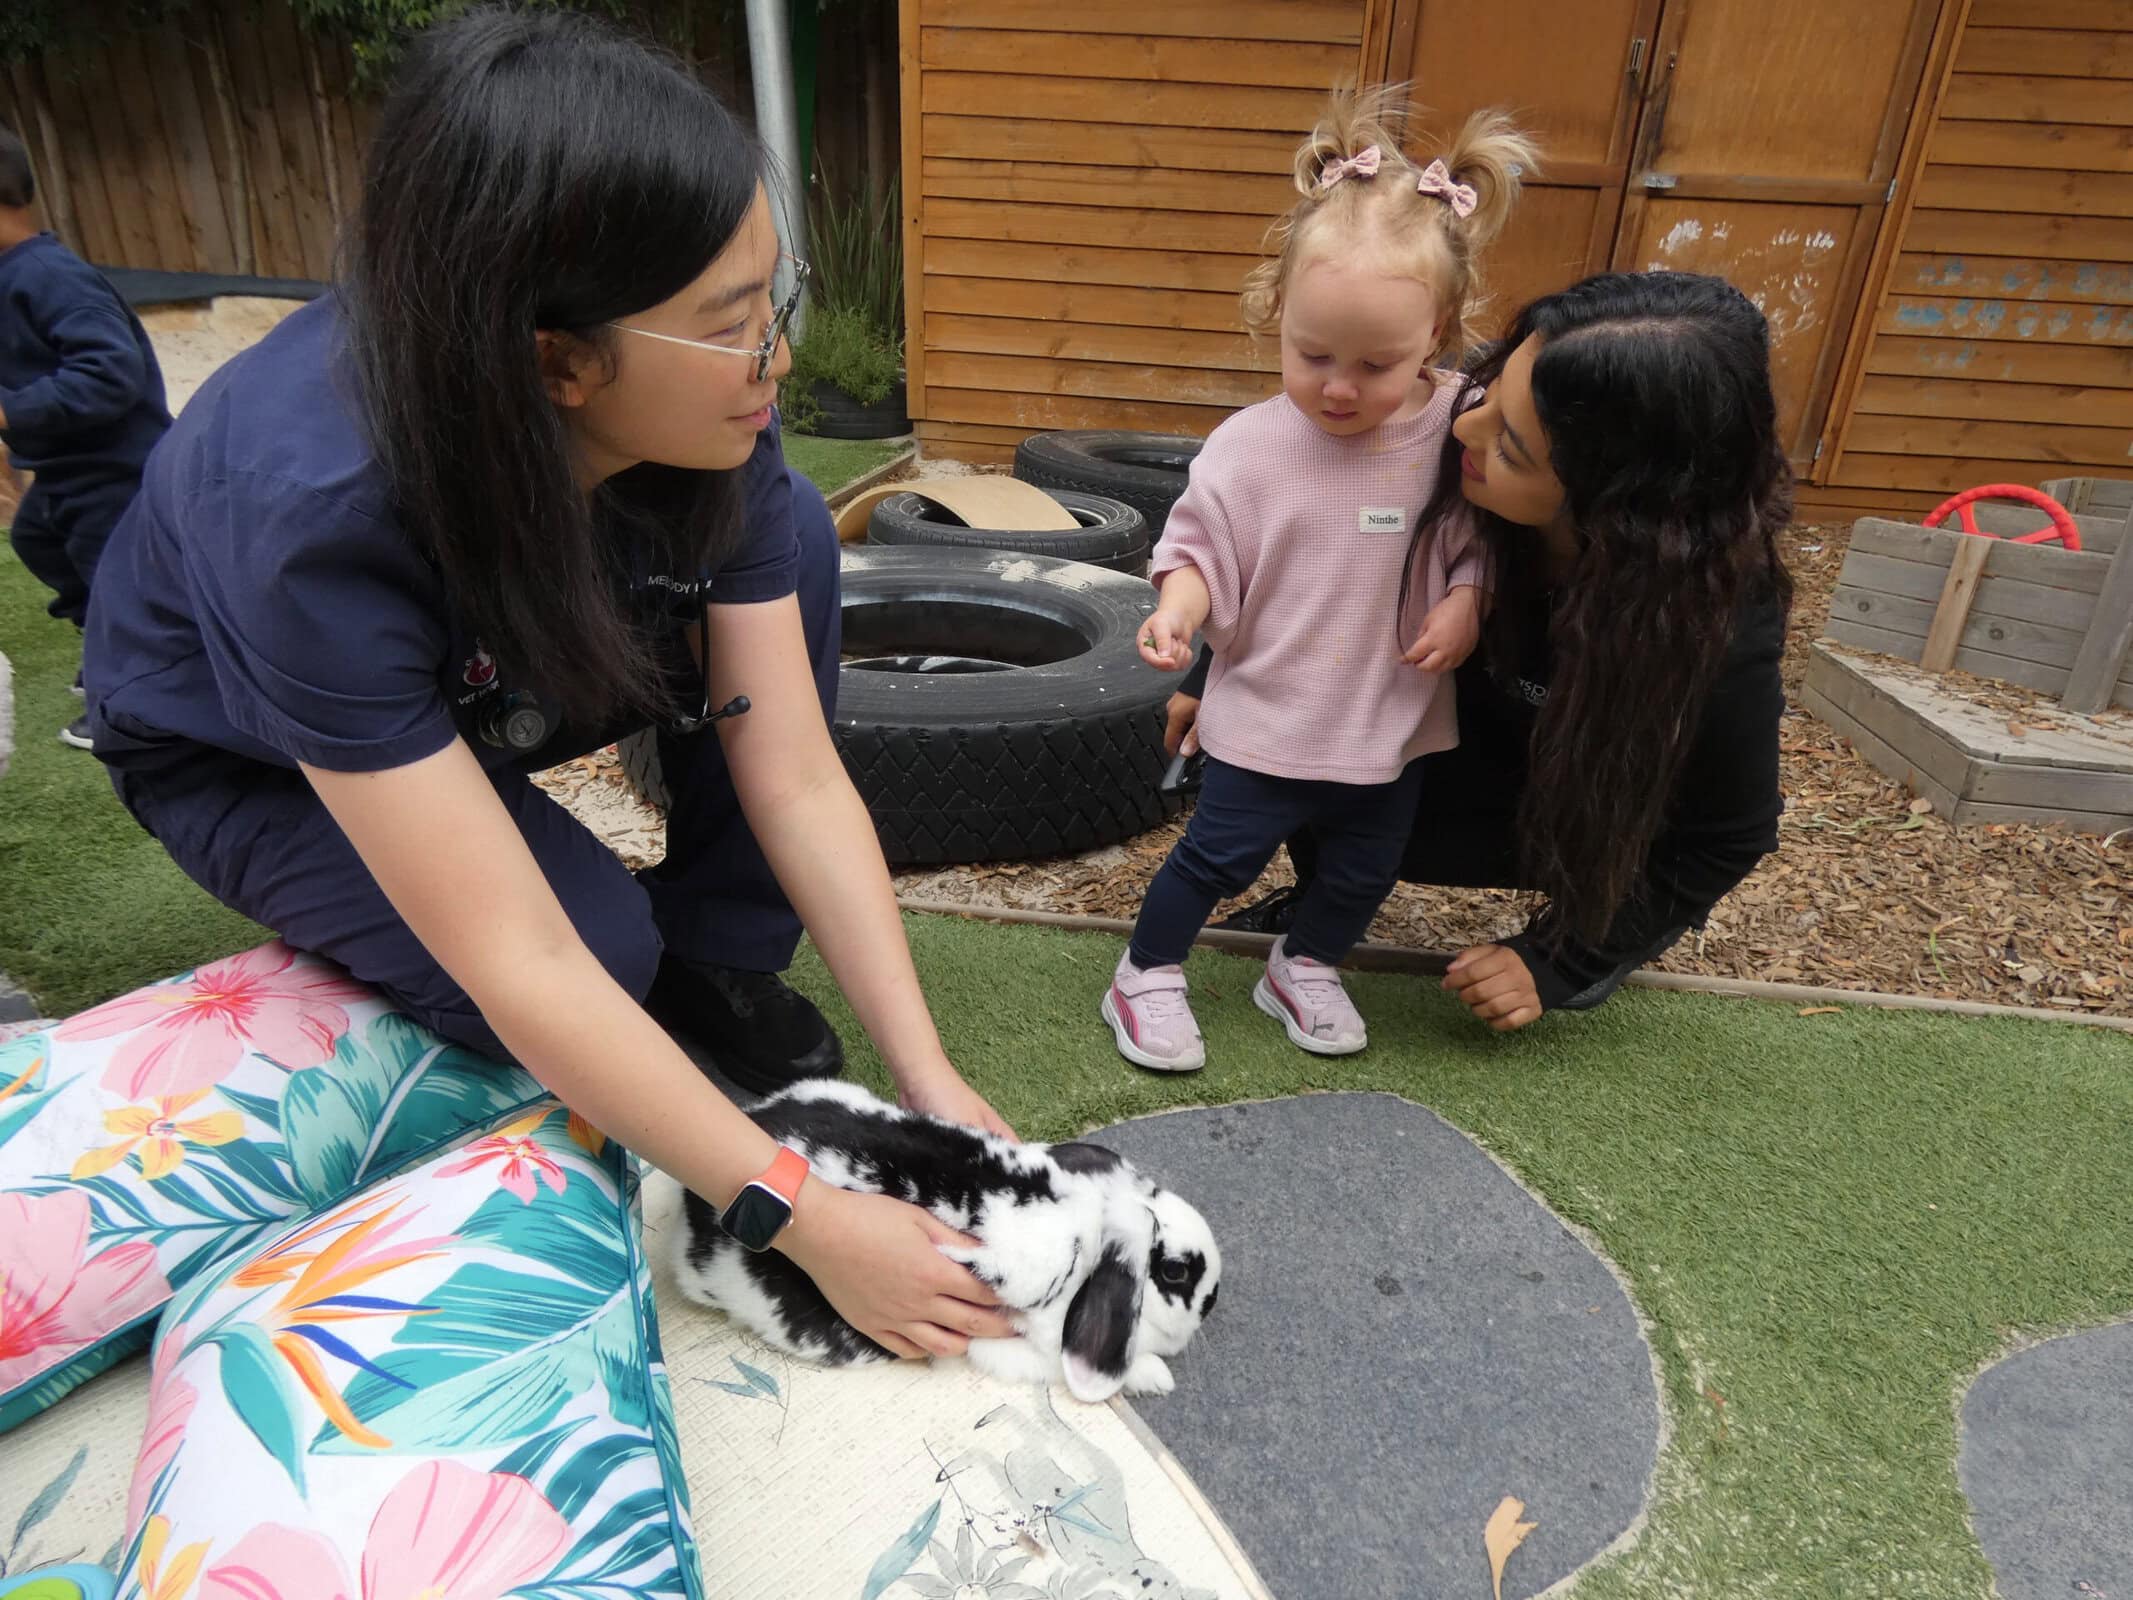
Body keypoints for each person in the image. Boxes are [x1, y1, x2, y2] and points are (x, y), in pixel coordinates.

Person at [81, 8, 1015, 1364]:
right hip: (242, 756)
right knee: (585, 954)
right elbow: (520, 956)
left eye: (773, 301)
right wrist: (797, 1214)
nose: (779, 358)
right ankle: (618, 969)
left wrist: (927, 1076)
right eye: (733, 325)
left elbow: (796, 773)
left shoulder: (710, 416)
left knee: (796, 545)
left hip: (488, 658)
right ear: (555, 359)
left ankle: (712, 959)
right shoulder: (305, 516)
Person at [1173, 270, 1795, 1032]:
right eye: (1488, 390)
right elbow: (1300, 556)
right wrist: (1214, 670)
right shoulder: (1439, 435)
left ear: (1613, 503)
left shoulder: (1715, 617)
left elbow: (1729, 832)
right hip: (1414, 738)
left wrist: (1562, 960)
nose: (1465, 430)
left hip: (1554, 792)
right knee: (1304, 733)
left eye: (1510, 444)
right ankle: (1323, 903)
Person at [1103, 89, 1538, 1073]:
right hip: (1268, 714)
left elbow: (1476, 535)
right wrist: (1178, 611)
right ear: (1277, 313)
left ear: (1438, 332)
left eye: (1377, 364)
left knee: (1364, 867)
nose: (1339, 387)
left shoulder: (1452, 427)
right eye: (1312, 355)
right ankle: (1145, 972)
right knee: (1213, 858)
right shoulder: (1249, 447)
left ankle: (1303, 962)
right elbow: (1199, 548)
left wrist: (1467, 598)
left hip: (1387, 718)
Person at [0, 123, 171, 750]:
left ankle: (137, 702)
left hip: (115, 467)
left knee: (120, 584)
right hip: (66, 466)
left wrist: (9, 412)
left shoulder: (50, 276)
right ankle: (106, 651)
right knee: (36, 539)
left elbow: (110, 375)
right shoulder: (11, 276)